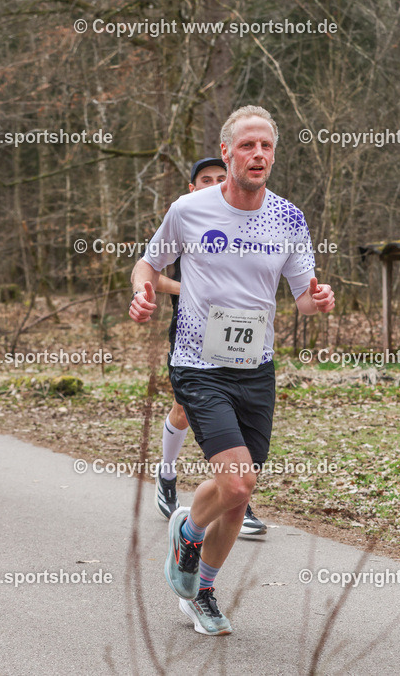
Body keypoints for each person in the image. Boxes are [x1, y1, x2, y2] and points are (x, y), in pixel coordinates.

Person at [129, 105, 334, 635]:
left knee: (239, 499)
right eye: (247, 145)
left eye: (266, 146)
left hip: (256, 369)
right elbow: (149, 262)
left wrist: (321, 300)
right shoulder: (190, 210)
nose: (258, 154)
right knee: (238, 485)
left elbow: (303, 299)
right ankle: (188, 536)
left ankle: (203, 591)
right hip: (199, 366)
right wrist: (142, 291)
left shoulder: (288, 217)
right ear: (226, 152)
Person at [129, 158, 268, 537]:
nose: (213, 184)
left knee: (237, 414)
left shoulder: (255, 215)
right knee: (184, 411)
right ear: (192, 188)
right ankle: (167, 473)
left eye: (220, 178)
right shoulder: (186, 215)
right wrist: (186, 289)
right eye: (205, 180)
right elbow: (150, 271)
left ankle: (237, 495)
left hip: (242, 336)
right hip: (192, 335)